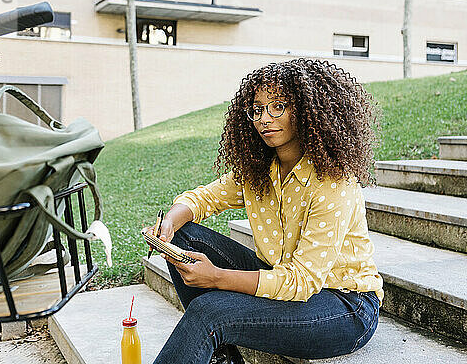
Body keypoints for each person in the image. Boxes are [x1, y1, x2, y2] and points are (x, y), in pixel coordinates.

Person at [146, 59, 384, 364]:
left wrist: (217, 277)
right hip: (281, 278)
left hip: (344, 306)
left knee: (211, 311)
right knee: (183, 235)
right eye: (257, 109)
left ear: (307, 111)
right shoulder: (261, 170)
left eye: (278, 107)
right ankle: (221, 356)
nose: (264, 119)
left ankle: (214, 346)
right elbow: (204, 198)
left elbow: (301, 282)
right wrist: (168, 224)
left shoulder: (332, 184)